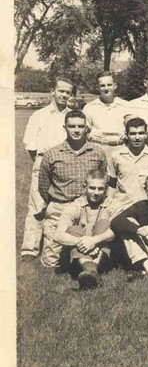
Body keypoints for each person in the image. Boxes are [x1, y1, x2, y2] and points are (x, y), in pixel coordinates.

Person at [38, 110, 107, 267]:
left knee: (92, 243)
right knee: (51, 262)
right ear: (65, 127)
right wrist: (55, 203)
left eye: (80, 126)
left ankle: (86, 264)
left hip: (89, 205)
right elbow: (43, 185)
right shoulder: (52, 154)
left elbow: (102, 179)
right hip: (60, 206)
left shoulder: (97, 152)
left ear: (86, 128)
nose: (76, 130)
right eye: (72, 126)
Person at [21, 77, 74, 261]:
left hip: (66, 164)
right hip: (43, 161)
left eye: (68, 92)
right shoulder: (39, 115)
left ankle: (60, 246)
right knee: (37, 205)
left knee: (61, 205)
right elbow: (31, 145)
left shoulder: (72, 116)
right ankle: (30, 249)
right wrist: (41, 164)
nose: (64, 95)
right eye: (61, 91)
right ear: (53, 91)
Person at [52, 169, 116, 289]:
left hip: (102, 255)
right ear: (84, 187)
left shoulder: (111, 204)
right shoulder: (75, 205)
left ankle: (90, 271)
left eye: (100, 189)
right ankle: (91, 270)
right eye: (92, 188)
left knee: (105, 224)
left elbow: (119, 229)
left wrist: (94, 240)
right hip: (78, 258)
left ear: (106, 188)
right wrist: (83, 242)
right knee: (73, 230)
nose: (96, 192)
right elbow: (57, 235)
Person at [106, 117, 148, 214]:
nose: (137, 137)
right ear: (126, 135)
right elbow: (112, 185)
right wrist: (108, 207)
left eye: (141, 133)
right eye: (133, 133)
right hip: (122, 207)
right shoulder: (116, 156)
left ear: (146, 135)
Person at [83, 70, 130, 166]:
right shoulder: (89, 107)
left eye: (109, 85)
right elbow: (84, 132)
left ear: (115, 86)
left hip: (120, 148)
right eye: (102, 85)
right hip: (98, 150)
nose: (106, 88)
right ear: (98, 87)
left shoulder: (126, 106)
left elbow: (133, 129)